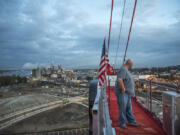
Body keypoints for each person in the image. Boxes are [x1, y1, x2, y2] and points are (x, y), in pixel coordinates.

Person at [114, 59, 140, 129]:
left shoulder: (125, 70)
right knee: (123, 108)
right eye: (132, 65)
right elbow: (119, 80)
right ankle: (122, 123)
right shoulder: (123, 69)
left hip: (127, 93)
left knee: (128, 108)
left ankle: (131, 121)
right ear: (130, 64)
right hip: (123, 93)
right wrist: (123, 89)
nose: (132, 66)